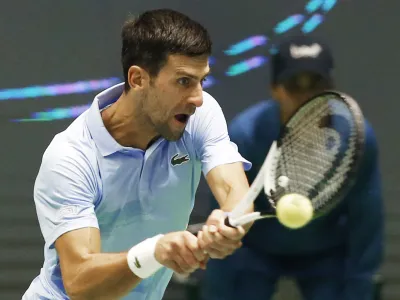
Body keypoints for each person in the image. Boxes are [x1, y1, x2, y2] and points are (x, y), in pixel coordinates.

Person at [22, 9, 253, 300]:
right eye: (184, 81)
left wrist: (229, 222)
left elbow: (236, 192)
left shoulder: (199, 115)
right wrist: (152, 252)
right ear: (138, 79)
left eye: (201, 81)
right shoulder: (71, 158)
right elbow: (81, 283)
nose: (197, 97)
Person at [202, 34, 384, 300]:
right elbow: (224, 220)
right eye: (294, 86)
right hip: (256, 249)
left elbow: (366, 223)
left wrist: (360, 290)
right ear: (275, 89)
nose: (307, 97)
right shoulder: (246, 134)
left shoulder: (357, 138)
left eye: (316, 85)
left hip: (327, 252)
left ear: (332, 86)